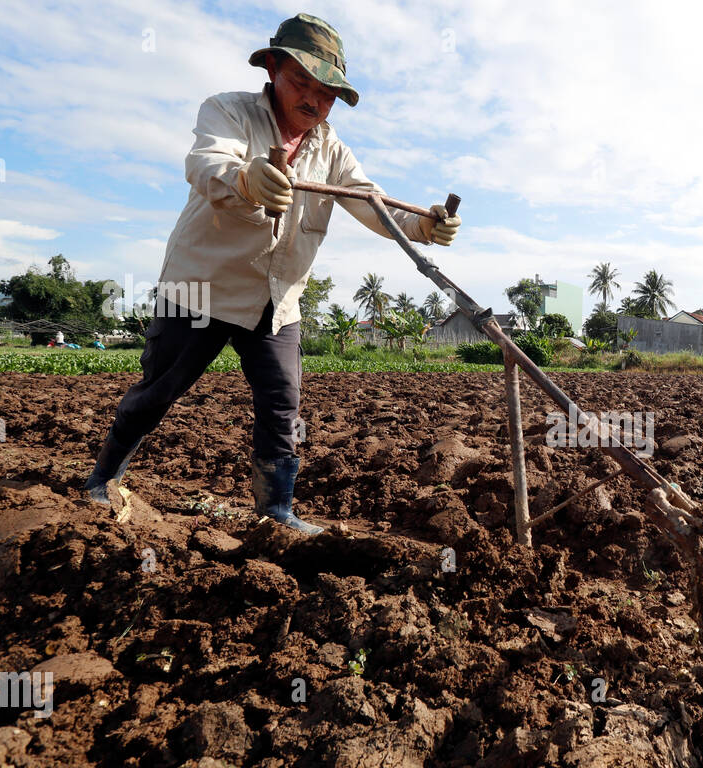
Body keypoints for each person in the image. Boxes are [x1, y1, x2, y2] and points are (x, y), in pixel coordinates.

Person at [83, 13, 460, 534]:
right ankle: (101, 480)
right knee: (160, 390)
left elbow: (374, 206)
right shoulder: (229, 112)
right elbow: (205, 162)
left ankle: (276, 512)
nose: (313, 99)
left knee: (283, 407)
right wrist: (246, 179)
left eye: (326, 92)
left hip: (277, 302)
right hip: (201, 290)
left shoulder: (332, 150)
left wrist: (421, 225)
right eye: (301, 82)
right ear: (274, 70)